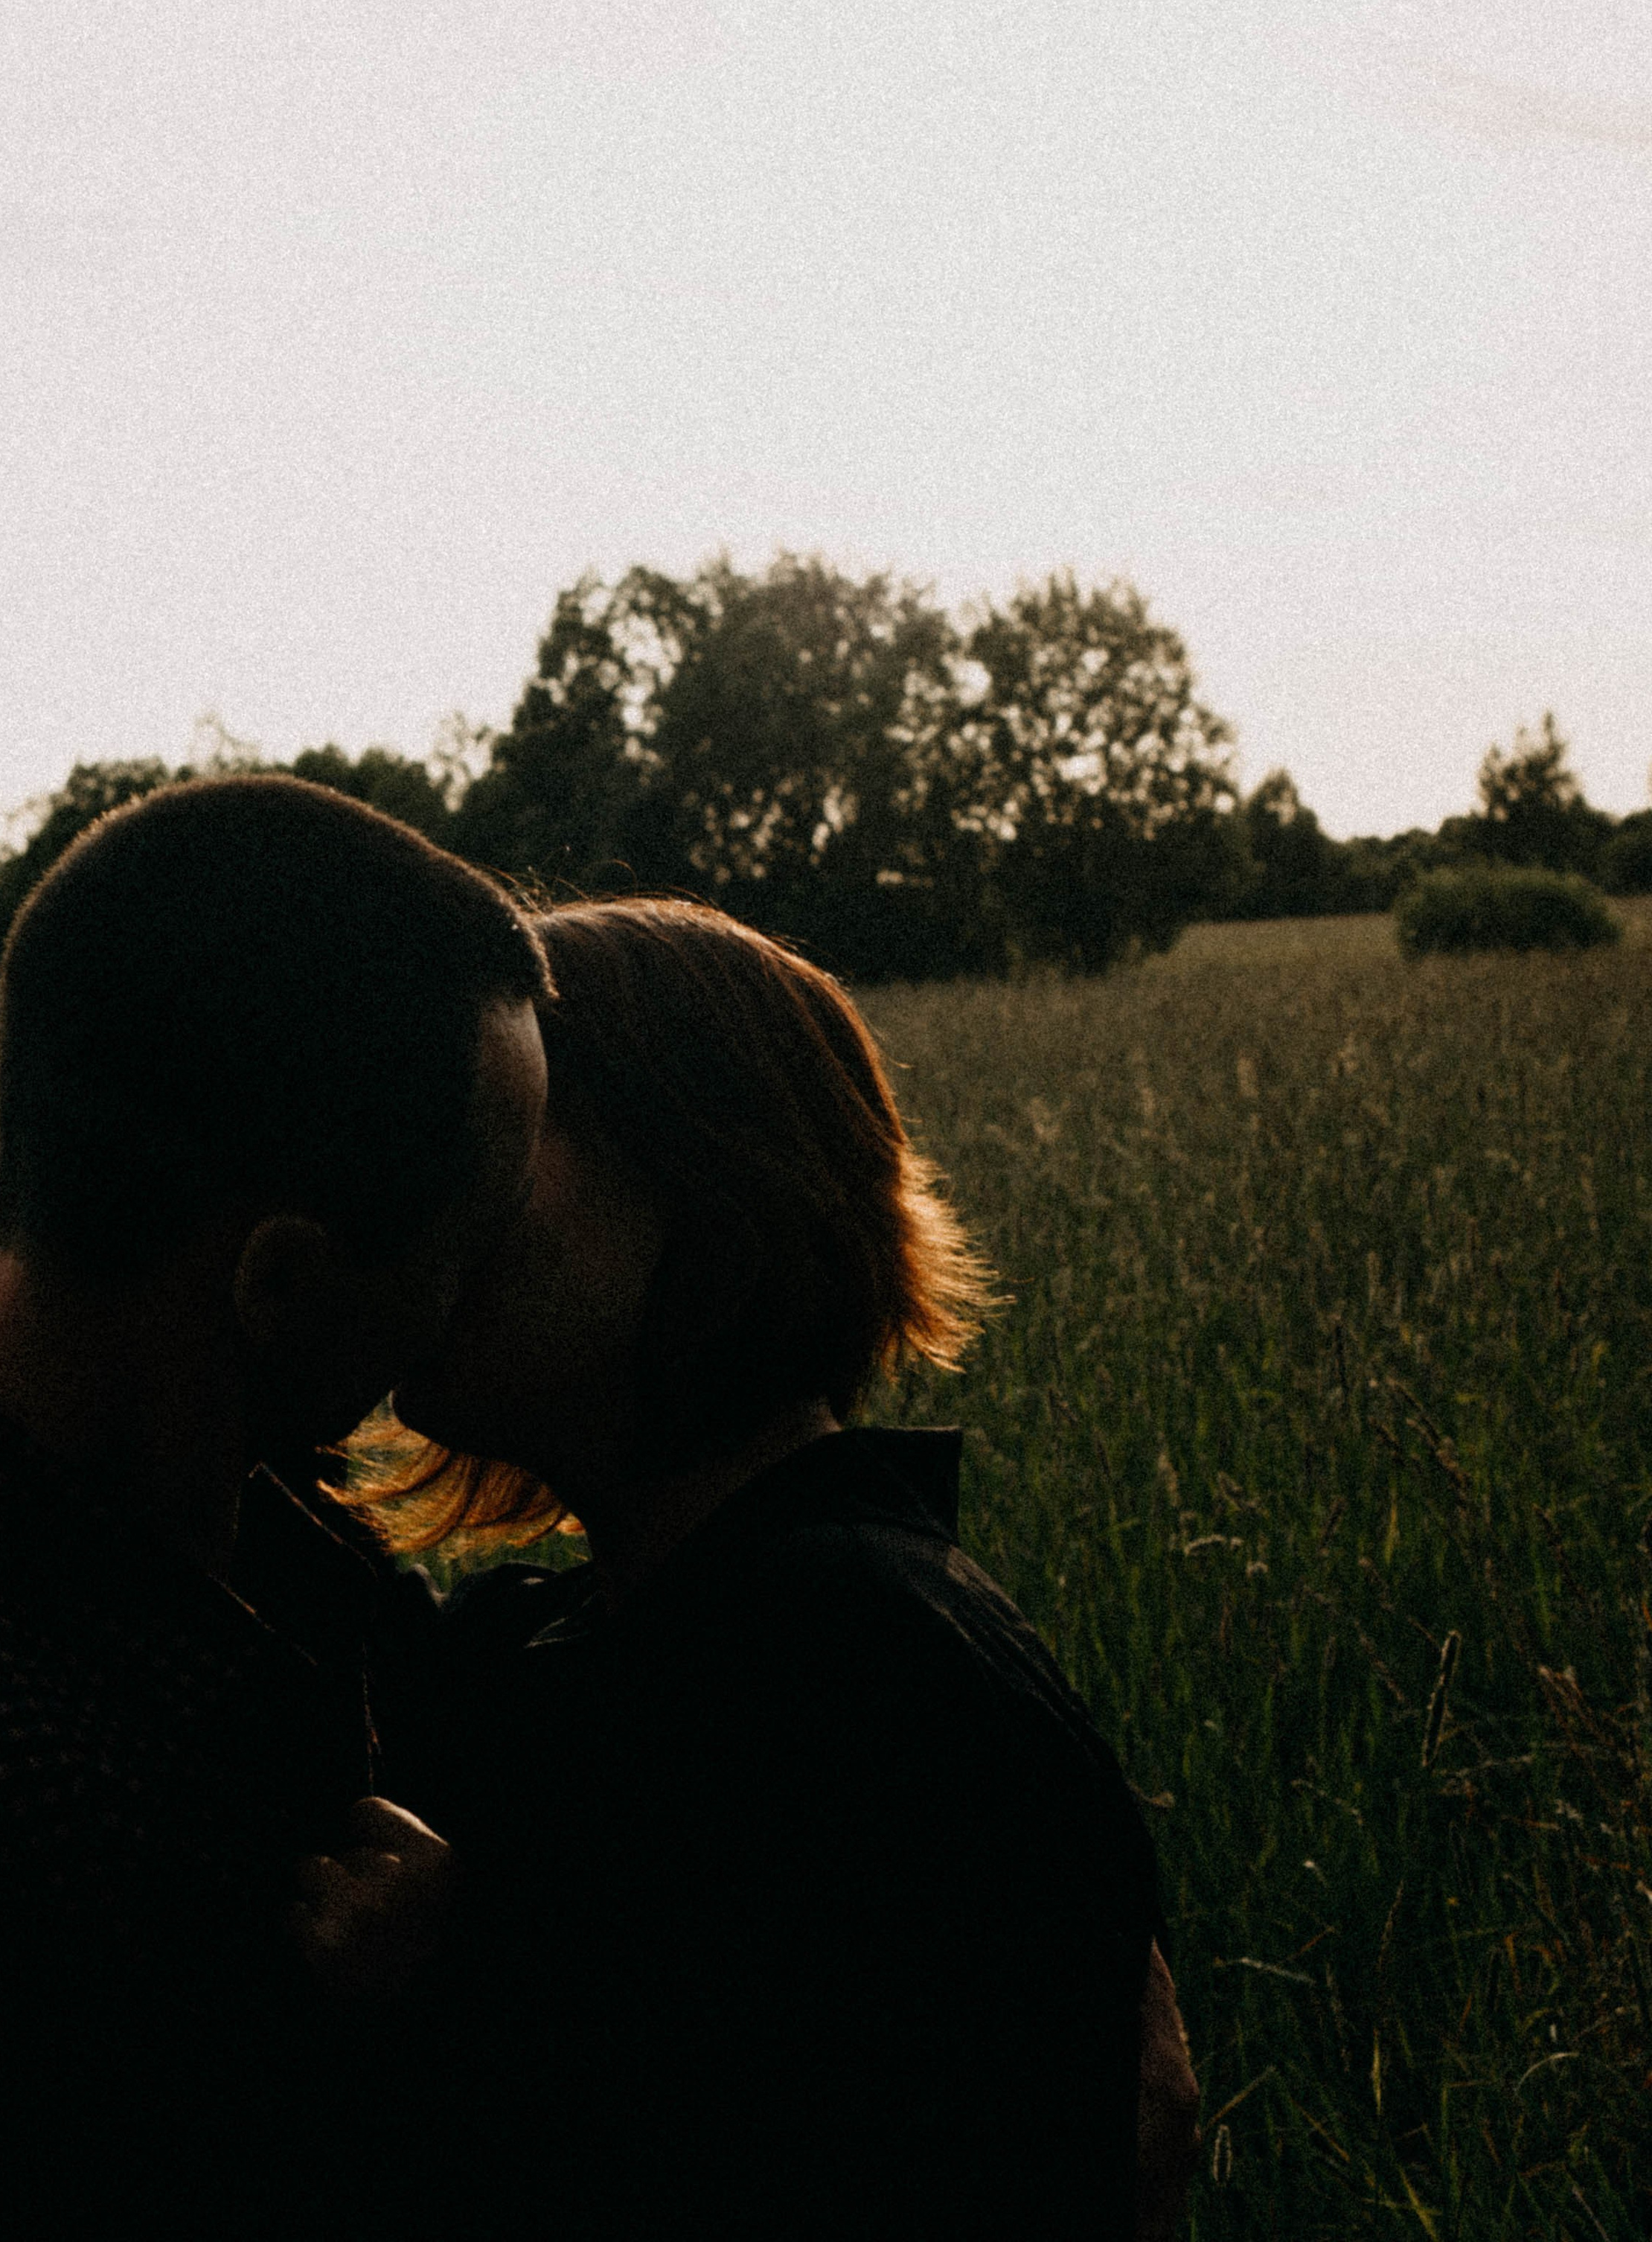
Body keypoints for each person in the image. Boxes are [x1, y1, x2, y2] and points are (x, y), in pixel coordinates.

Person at [319, 893, 1200, 2241]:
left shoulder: (865, 1685)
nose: (426, 1198)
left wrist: (453, 1998)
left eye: (502, 1138)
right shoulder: (623, 1632)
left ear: (708, 1185)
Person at [0, 776, 548, 2235]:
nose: (483, 1312)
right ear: (281, 1284)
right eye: (468, 1254)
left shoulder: (222, 1528)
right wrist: (393, 2053)